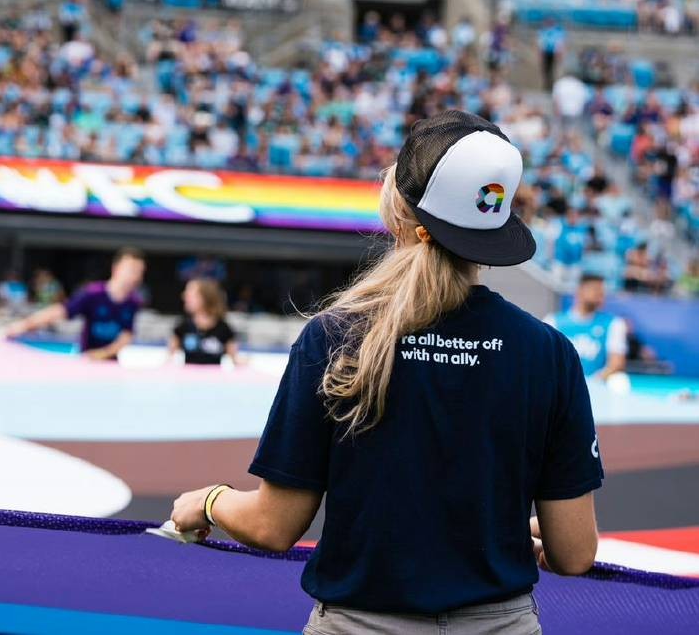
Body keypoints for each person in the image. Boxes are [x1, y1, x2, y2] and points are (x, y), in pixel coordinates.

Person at [171, 111, 601, 632]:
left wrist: (209, 502)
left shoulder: (336, 337)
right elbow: (574, 554)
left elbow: (273, 525)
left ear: (398, 213)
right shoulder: (548, 353)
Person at [3, 248, 145, 360]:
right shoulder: (93, 293)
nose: (135, 276)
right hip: (86, 360)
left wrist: (103, 354)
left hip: (110, 365)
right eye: (132, 270)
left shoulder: (134, 302)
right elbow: (60, 311)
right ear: (116, 268)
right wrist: (23, 325)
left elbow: (126, 336)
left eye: (140, 272)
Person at [546, 274, 628, 381]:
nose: (600, 294)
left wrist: (593, 382)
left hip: (598, 384)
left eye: (602, 291)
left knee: (620, 380)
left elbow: (616, 363)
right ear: (580, 291)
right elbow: (545, 360)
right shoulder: (553, 321)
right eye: (595, 289)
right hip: (562, 385)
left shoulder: (614, 323)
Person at [171, 278, 241, 366]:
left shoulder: (224, 329)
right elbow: (169, 357)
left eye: (191, 295)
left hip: (213, 377)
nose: (184, 297)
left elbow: (235, 359)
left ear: (205, 298)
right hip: (189, 377)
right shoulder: (183, 326)